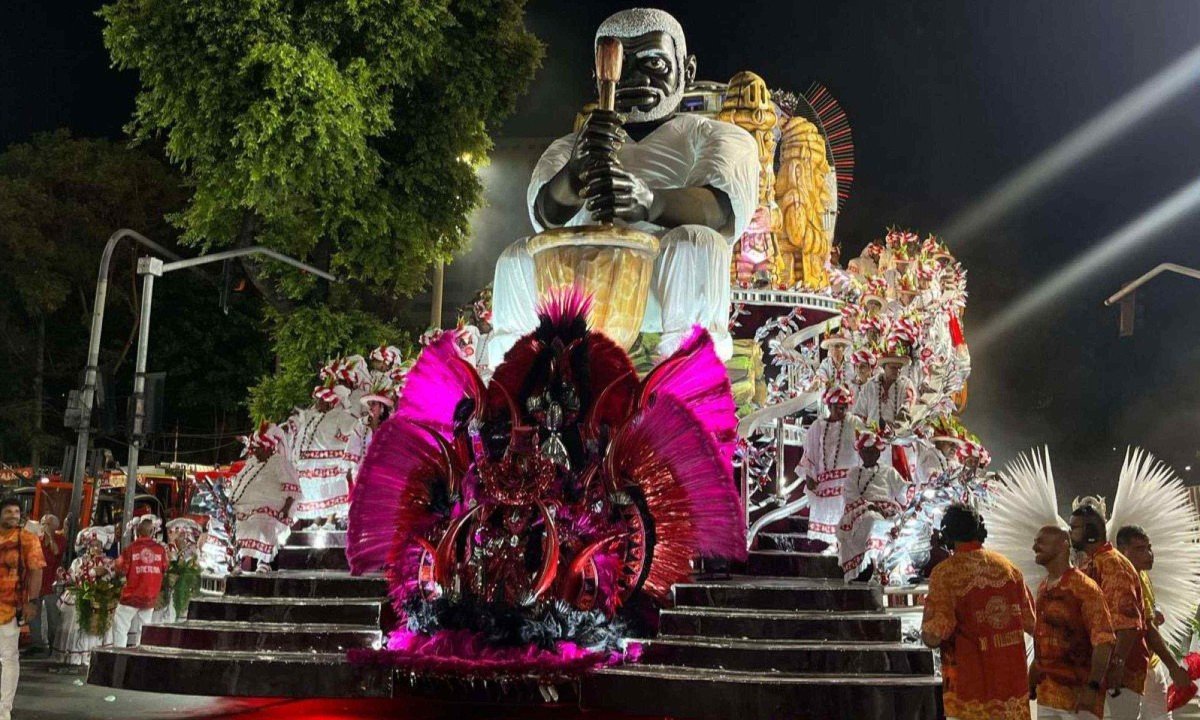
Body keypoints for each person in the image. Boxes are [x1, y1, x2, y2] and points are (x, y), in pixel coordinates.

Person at [486, 7, 760, 365]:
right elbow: (544, 216)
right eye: (620, 65)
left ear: (686, 70)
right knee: (518, 256)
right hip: (583, 285)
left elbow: (723, 210)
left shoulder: (715, 135)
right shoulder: (573, 145)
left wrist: (651, 204)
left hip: (663, 286)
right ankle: (513, 380)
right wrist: (575, 173)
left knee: (698, 243)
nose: (632, 77)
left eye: (653, 64)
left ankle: (685, 371)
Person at [921, 504, 1035, 720]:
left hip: (970, 696)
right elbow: (1033, 625)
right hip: (1013, 693)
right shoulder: (1009, 568)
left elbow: (934, 636)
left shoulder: (945, 574)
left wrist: (927, 618)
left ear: (947, 534)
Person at [1069, 498, 1150, 719]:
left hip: (1120, 678)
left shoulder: (1113, 564)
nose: (1070, 533)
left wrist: (1117, 665)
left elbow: (1127, 624)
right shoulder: (1093, 563)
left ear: (1091, 530)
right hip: (1101, 675)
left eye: (1074, 528)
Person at [1030, 525, 1115, 720]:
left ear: (1063, 544)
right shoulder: (1043, 587)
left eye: (1041, 541)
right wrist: (1033, 675)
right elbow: (1042, 637)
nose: (1035, 547)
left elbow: (1104, 641)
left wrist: (1092, 687)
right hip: (1047, 697)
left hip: (1078, 700)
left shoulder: (1085, 589)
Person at [1114, 524, 1193, 720]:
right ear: (1123, 551)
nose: (1149, 554)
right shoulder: (1121, 580)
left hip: (1152, 663)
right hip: (1131, 666)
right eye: (1140, 549)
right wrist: (1174, 667)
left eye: (1149, 547)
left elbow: (1147, 616)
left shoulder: (1142, 574)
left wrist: (1155, 612)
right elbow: (1147, 628)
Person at [835, 427, 908, 583]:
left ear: (879, 453)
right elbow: (851, 495)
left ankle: (894, 569)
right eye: (865, 451)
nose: (869, 455)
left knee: (902, 525)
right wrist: (869, 506)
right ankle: (872, 566)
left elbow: (903, 491)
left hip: (888, 509)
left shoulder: (889, 471)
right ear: (860, 453)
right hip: (862, 510)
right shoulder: (854, 473)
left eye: (872, 451)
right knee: (871, 520)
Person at [231, 423, 300, 573]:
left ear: (266, 448)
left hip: (270, 508)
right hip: (245, 508)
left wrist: (286, 509)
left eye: (256, 450)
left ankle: (264, 562)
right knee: (238, 527)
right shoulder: (251, 463)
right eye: (252, 450)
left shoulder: (279, 462)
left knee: (262, 525)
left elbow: (292, 489)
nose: (253, 453)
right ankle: (238, 561)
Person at [798, 385, 859, 550]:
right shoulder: (817, 427)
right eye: (839, 407)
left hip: (849, 482)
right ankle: (833, 544)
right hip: (826, 481)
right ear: (829, 406)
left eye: (845, 407)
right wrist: (809, 476)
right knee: (833, 514)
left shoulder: (854, 423)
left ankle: (846, 546)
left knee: (848, 513)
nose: (843, 410)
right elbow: (809, 453)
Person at [0, 497, 44, 720]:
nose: (14, 516)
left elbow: (36, 571)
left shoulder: (27, 538)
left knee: (9, 657)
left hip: (10, 608)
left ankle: (4, 707)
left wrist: (32, 601)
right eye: (8, 512)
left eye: (17, 512)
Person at [53, 526, 115, 669]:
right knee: (73, 624)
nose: (94, 547)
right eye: (91, 544)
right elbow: (73, 578)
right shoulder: (78, 561)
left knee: (92, 627)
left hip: (97, 599)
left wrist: (95, 574)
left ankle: (90, 657)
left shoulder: (107, 561)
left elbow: (109, 578)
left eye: (97, 544)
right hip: (77, 597)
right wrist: (64, 576)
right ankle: (71, 656)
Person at [111, 517, 168, 648]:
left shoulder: (131, 549)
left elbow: (119, 569)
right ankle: (142, 656)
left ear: (137, 531)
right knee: (144, 629)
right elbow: (165, 567)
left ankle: (119, 654)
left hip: (131, 596)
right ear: (153, 532)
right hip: (150, 597)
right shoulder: (161, 550)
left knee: (121, 624)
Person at [26, 513, 64, 657]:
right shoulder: (37, 540)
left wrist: (50, 536)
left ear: (55, 526)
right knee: (33, 617)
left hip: (50, 585)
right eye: (42, 523)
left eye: (47, 524)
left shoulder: (60, 539)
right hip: (36, 585)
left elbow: (56, 551)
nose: (44, 526)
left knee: (52, 617)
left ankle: (54, 645)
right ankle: (37, 644)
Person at [852, 349, 914, 430]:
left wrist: (904, 411)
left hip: (895, 434)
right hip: (872, 435)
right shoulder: (870, 385)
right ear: (884, 367)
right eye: (893, 367)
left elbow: (908, 401)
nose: (897, 371)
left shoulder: (905, 384)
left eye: (899, 368)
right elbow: (859, 413)